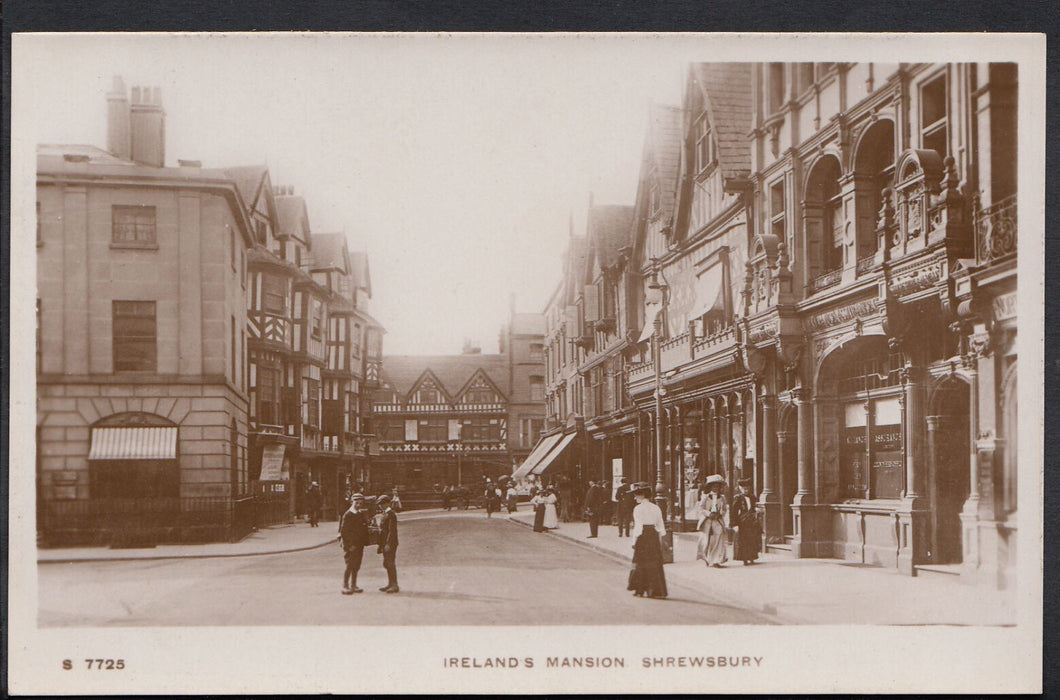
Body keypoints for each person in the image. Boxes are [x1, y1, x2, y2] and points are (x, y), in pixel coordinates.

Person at [628, 484, 668, 598]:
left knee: (640, 562)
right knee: (654, 563)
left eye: (636, 495)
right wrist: (662, 539)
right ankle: (655, 590)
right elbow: (660, 525)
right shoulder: (656, 508)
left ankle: (640, 589)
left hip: (643, 536)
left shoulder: (638, 509)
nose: (635, 498)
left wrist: (634, 541)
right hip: (653, 536)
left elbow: (638, 526)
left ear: (642, 495)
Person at [338, 493, 370, 594]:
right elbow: (344, 532)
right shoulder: (348, 515)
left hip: (359, 544)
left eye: (360, 503)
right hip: (351, 545)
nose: (358, 505)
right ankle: (345, 585)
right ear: (352, 502)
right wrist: (349, 545)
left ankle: (354, 585)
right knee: (349, 565)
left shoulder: (360, 514)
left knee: (356, 565)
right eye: (356, 503)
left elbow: (363, 528)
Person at [696, 474, 729, 568]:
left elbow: (725, 509)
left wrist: (720, 513)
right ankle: (706, 558)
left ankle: (716, 560)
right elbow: (700, 508)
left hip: (717, 521)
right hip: (707, 521)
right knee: (707, 540)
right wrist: (708, 513)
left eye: (718, 486)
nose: (716, 488)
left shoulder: (722, 498)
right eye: (714, 486)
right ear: (710, 487)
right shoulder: (705, 497)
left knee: (718, 539)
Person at [732, 477, 762, 565]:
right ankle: (744, 559)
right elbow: (734, 512)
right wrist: (734, 524)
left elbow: (753, 507)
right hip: (742, 521)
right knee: (743, 540)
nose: (746, 491)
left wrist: (756, 509)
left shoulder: (752, 497)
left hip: (751, 521)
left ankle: (752, 557)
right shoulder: (738, 498)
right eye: (744, 489)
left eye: (748, 489)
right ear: (741, 489)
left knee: (752, 539)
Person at [375, 494, 399, 593]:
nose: (380, 506)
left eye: (382, 504)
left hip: (390, 543)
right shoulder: (384, 513)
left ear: (387, 503)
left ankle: (394, 585)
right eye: (379, 504)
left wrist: (388, 544)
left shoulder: (391, 514)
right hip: (384, 543)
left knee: (390, 563)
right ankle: (390, 583)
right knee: (387, 563)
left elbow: (392, 531)